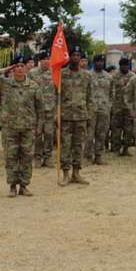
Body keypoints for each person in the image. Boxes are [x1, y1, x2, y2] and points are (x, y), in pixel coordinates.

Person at [0, 56, 43, 197]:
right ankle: (12, 185)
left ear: (26, 68)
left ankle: (24, 185)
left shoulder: (34, 86)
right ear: (13, 68)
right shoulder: (5, 84)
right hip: (9, 127)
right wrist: (7, 68)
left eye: (22, 65)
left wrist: (39, 126)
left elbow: (40, 108)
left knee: (26, 157)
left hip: (28, 128)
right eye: (16, 66)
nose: (19, 68)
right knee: (11, 157)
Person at [59, 46, 92, 185]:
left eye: (78, 55)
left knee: (78, 145)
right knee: (65, 145)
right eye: (73, 55)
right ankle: (66, 174)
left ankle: (76, 173)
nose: (76, 57)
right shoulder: (61, 74)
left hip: (81, 116)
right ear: (69, 57)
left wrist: (89, 114)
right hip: (66, 115)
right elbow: (56, 94)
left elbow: (89, 96)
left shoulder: (86, 75)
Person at [28, 50, 57, 167]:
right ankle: (37, 157)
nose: (46, 61)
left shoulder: (54, 73)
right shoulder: (32, 73)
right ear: (39, 61)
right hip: (36, 110)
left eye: (48, 59)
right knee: (38, 135)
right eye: (44, 59)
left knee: (49, 134)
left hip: (50, 109)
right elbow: (28, 90)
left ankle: (48, 157)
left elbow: (58, 91)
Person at [87, 54, 112, 165]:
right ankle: (87, 155)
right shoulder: (87, 75)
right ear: (94, 62)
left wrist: (109, 106)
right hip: (90, 110)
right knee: (89, 134)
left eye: (102, 61)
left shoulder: (108, 77)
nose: (100, 63)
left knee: (101, 134)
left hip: (104, 109)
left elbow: (112, 93)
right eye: (98, 61)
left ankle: (98, 156)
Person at [110, 58, 135, 156]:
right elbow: (111, 91)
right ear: (120, 66)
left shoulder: (132, 76)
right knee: (116, 129)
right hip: (117, 107)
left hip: (128, 107)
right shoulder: (114, 76)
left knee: (129, 130)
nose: (125, 67)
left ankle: (125, 148)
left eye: (127, 65)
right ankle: (116, 149)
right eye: (123, 65)